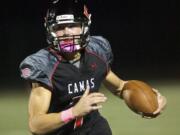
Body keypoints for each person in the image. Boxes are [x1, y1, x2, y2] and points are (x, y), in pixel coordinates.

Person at [19, 0, 166, 135]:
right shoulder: (44, 64)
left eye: (72, 26)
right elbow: (36, 125)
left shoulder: (96, 51)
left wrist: (150, 101)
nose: (66, 33)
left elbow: (120, 87)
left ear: (85, 25)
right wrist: (73, 112)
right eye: (59, 27)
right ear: (49, 29)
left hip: (95, 130)